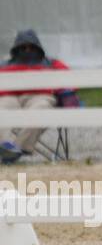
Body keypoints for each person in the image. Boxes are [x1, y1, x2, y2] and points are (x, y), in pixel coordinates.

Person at [0, 29, 69, 163]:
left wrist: (65, 94)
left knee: (41, 110)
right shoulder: (4, 65)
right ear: (16, 48)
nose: (27, 50)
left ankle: (17, 149)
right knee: (1, 110)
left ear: (38, 47)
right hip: (9, 96)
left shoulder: (51, 63)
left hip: (40, 96)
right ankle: (6, 146)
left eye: (31, 47)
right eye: (23, 47)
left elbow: (71, 79)